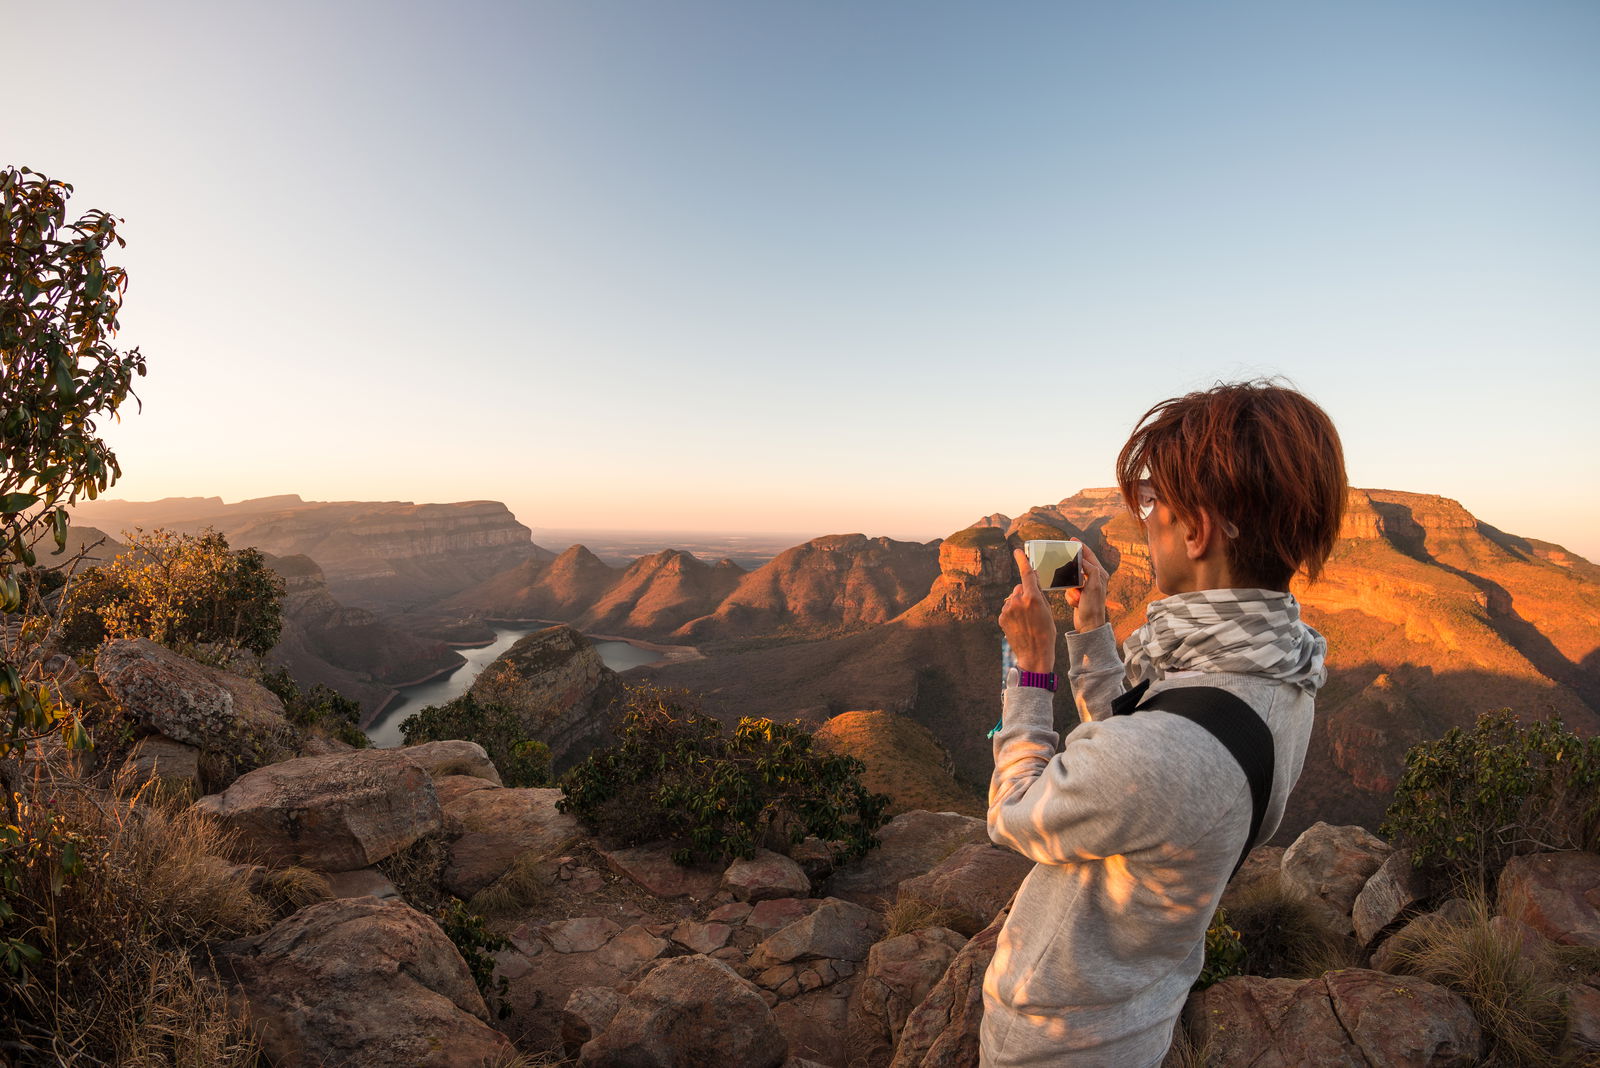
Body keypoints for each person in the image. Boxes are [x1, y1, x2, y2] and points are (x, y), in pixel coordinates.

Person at [980, 380, 1347, 1067]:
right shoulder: (1284, 676)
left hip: (1058, 1039)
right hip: (1142, 1009)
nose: (1141, 521)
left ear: (1198, 529)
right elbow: (1136, 747)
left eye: (1151, 503)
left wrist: (1030, 670)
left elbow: (1014, 815)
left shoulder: (1167, 753)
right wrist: (1091, 629)